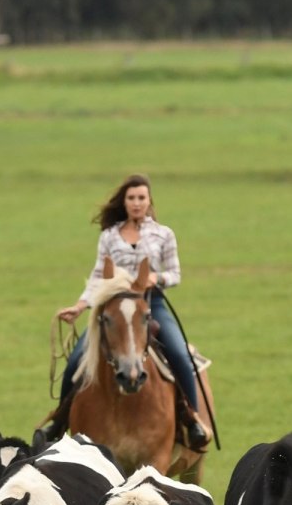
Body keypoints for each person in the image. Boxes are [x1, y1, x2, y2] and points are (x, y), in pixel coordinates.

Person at [38, 175, 211, 451]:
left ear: (149, 201)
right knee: (76, 361)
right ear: (125, 202)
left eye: (141, 198)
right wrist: (81, 306)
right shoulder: (109, 236)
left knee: (179, 354)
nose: (136, 203)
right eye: (131, 198)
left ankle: (192, 419)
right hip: (113, 309)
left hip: (150, 304)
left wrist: (156, 278)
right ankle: (59, 423)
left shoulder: (164, 234)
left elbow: (175, 273)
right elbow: (98, 275)